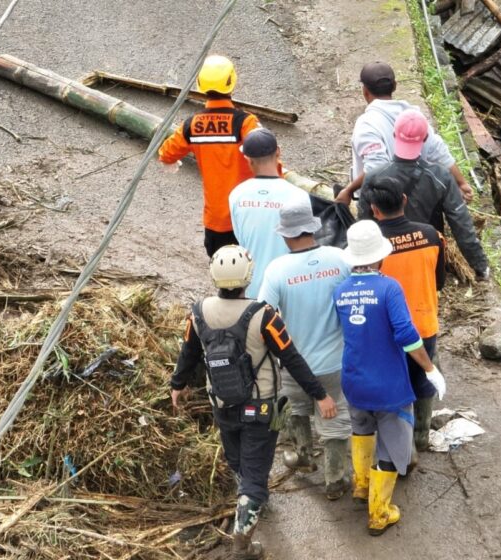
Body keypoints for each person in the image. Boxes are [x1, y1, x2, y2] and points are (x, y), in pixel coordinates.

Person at [171, 245, 337, 559]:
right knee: (256, 475)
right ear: (248, 277)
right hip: (262, 408)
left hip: (222, 405)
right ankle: (243, 542)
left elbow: (188, 353)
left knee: (238, 461)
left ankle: (252, 496)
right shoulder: (264, 315)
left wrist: (176, 385)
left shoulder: (197, 312)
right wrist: (320, 395)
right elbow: (292, 358)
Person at [333, 220, 446, 536]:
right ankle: (379, 513)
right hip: (388, 386)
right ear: (380, 256)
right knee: (392, 445)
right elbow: (407, 335)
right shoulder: (388, 288)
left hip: (353, 380)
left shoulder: (341, 291)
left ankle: (361, 486)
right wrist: (429, 369)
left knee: (362, 429)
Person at [257, 198, 353, 500]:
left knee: (296, 407)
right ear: (313, 227)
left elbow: (264, 315)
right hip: (337, 360)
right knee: (335, 418)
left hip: (295, 361)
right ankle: (335, 478)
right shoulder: (340, 259)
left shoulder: (277, 270)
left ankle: (303, 455)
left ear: (285, 235)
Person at [364, 175, 445, 463]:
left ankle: (394, 444)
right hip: (423, 323)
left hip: (384, 329)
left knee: (392, 383)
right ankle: (421, 436)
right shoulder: (431, 236)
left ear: (374, 209)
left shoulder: (371, 248)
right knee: (423, 378)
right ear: (405, 201)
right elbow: (439, 282)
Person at [158, 55, 265, 257]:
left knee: (225, 277)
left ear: (200, 84)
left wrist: (170, 162)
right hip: (250, 216)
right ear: (232, 82)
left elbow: (166, 153)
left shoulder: (193, 125)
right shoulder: (246, 123)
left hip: (216, 221)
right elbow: (270, 154)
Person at [362, 109, 489, 279]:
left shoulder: (374, 177)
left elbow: (363, 224)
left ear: (394, 134)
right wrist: (480, 266)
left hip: (385, 261)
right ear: (425, 138)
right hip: (427, 259)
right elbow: (461, 224)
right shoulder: (440, 176)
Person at [334, 61, 473, 205]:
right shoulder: (413, 115)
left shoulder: (366, 124)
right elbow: (438, 151)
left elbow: (375, 167)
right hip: (419, 200)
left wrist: (349, 190)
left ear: (365, 91)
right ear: (395, 86)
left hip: (383, 206)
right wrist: (461, 183)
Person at [228, 128, 309, 299]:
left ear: (248, 159)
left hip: (252, 289)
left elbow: (241, 238)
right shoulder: (299, 196)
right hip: (291, 288)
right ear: (278, 152)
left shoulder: (237, 195)